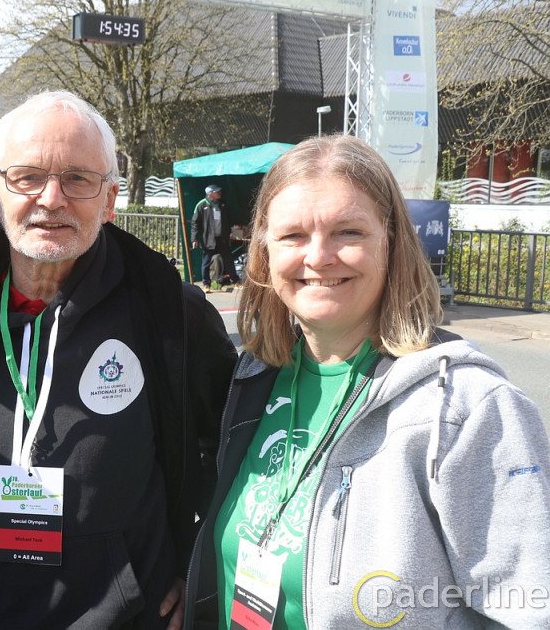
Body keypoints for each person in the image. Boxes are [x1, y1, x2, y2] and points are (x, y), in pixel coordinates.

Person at [184, 135, 550, 629]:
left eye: (348, 232)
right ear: (264, 252)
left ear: (392, 243)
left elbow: (529, 610)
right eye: (293, 235)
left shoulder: (469, 409)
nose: (319, 257)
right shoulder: (254, 377)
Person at [0, 91, 237, 629]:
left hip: (125, 617)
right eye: (27, 177)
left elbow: (232, 446)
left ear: (110, 200)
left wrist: (196, 562)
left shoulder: (169, 313)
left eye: (78, 179)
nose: (52, 199)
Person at [190, 184, 237, 288]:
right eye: (217, 192)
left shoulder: (223, 204)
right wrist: (194, 239)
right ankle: (206, 284)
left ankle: (235, 280)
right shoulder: (201, 205)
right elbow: (194, 223)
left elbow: (229, 219)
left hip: (222, 238)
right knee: (206, 262)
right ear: (210, 194)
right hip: (208, 239)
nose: (220, 193)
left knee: (228, 259)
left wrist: (231, 232)